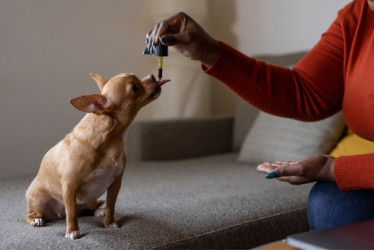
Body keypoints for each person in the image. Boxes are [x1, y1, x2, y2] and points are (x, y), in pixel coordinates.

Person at [143, 0, 374, 231]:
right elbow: (304, 92)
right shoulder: (358, 15)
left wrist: (331, 169)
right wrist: (210, 52)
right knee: (329, 202)